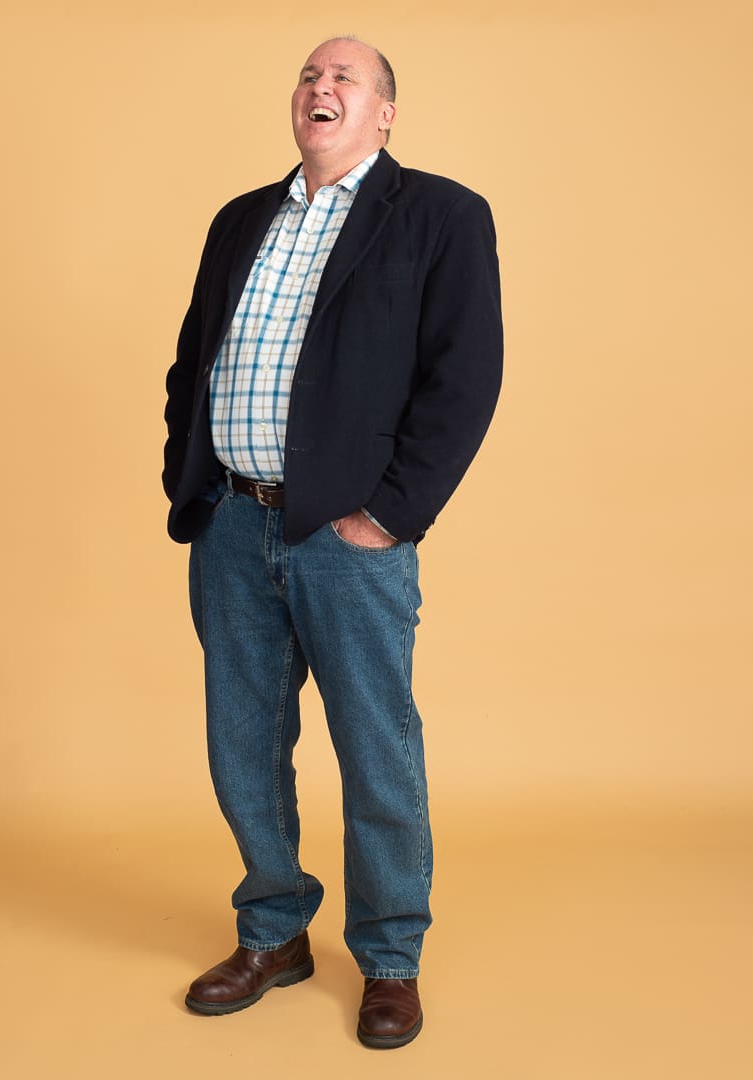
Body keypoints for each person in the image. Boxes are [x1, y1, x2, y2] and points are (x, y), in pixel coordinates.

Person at [162, 36, 503, 1049]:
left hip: (347, 537)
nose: (321, 87)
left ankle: (390, 958)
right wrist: (192, 482)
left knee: (374, 745)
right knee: (243, 745)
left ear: (384, 113)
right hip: (232, 524)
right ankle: (273, 932)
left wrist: (390, 515)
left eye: (345, 78)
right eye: (310, 75)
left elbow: (466, 378)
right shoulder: (241, 219)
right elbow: (193, 359)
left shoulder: (440, 215)